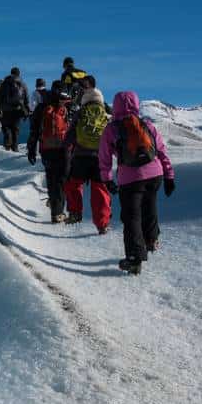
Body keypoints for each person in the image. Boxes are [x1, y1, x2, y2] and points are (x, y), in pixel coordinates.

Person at [99, 90, 176, 275]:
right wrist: (169, 176)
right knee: (150, 207)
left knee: (131, 217)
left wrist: (107, 179)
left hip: (130, 179)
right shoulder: (147, 125)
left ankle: (134, 258)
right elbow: (162, 151)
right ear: (136, 104)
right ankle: (151, 240)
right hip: (155, 175)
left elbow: (104, 158)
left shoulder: (112, 129)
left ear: (115, 107)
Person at [64, 77, 111, 233]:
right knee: (100, 190)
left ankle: (75, 213)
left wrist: (66, 149)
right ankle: (102, 224)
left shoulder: (80, 112)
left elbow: (69, 135)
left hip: (80, 156)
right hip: (100, 158)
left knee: (74, 184)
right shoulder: (105, 114)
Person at [27, 85, 69, 222]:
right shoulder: (65, 107)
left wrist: (31, 150)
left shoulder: (41, 108)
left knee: (51, 179)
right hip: (63, 149)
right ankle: (58, 211)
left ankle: (54, 207)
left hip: (46, 149)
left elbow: (34, 131)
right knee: (61, 180)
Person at [0, 67, 30, 152]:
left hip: (6, 109)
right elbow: (26, 97)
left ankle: (8, 142)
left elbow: (0, 96)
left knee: (6, 127)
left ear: (11, 73)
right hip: (18, 109)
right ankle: (15, 147)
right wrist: (27, 109)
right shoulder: (22, 84)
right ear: (19, 74)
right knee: (15, 128)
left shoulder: (5, 82)